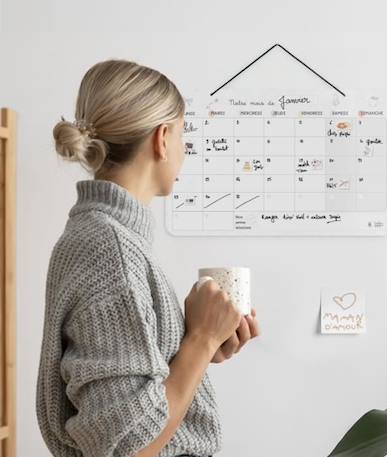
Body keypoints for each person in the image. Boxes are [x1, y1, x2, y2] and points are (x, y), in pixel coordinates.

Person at [35, 59, 261, 457]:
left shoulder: (107, 238)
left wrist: (201, 347)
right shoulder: (110, 248)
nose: (184, 150)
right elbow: (128, 446)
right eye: (184, 134)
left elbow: (134, 406)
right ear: (162, 138)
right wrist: (201, 337)